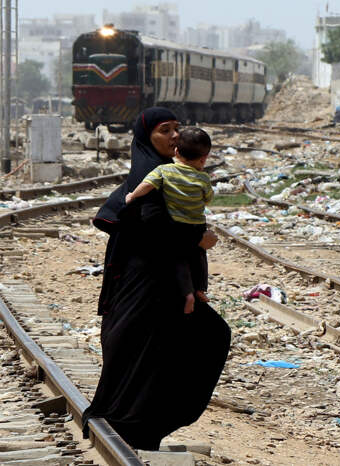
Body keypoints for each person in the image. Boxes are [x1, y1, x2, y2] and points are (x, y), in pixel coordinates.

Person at [82, 107, 231, 451]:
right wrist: (196, 240)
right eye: (166, 130)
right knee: (161, 348)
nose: (175, 136)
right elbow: (153, 225)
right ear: (147, 137)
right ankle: (130, 426)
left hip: (161, 279)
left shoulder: (162, 172)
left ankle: (137, 428)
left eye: (177, 129)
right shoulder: (150, 174)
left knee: (156, 351)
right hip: (147, 281)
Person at [125, 127, 213, 314]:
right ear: (204, 159)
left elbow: (147, 185)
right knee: (199, 256)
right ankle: (200, 288)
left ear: (176, 151)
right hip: (197, 226)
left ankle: (187, 293)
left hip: (176, 225)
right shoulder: (203, 177)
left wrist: (132, 196)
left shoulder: (163, 170)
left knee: (180, 261)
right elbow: (208, 198)